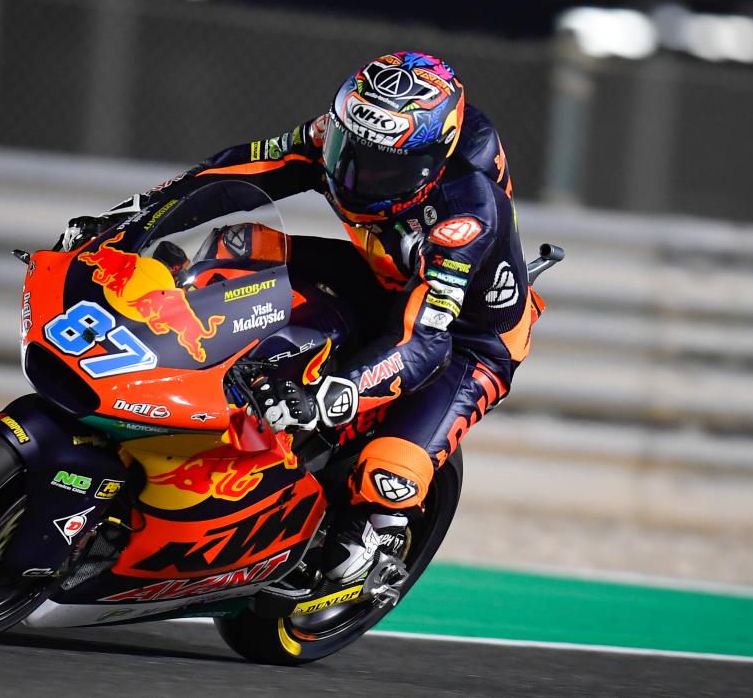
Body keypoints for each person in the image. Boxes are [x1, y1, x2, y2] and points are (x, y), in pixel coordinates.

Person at [60, 50, 543, 588]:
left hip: (466, 339)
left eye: (384, 168)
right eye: (349, 153)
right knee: (239, 248)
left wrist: (329, 397)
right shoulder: (342, 132)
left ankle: (373, 545)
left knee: (388, 475)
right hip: (381, 277)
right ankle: (172, 395)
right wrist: (128, 221)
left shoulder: (465, 214)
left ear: (431, 162)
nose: (357, 176)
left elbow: (425, 342)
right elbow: (237, 171)